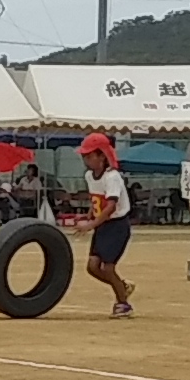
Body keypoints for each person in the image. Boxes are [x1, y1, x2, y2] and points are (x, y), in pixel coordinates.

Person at [73, 132, 137, 318]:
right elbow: (97, 200)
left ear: (102, 155)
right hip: (102, 225)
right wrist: (89, 215)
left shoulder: (112, 177)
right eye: (84, 156)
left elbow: (111, 205)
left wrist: (92, 224)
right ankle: (122, 286)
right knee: (92, 267)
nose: (86, 160)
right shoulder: (89, 176)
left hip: (117, 225)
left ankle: (123, 304)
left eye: (90, 156)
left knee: (108, 268)